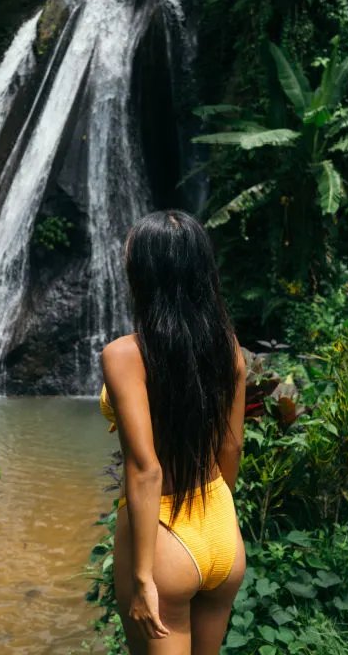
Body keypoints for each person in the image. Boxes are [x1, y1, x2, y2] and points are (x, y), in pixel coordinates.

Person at [99, 210, 246, 655]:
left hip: (164, 541)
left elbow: (146, 469)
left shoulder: (125, 355)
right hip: (221, 526)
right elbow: (231, 445)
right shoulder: (228, 346)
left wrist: (144, 577)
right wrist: (216, 521)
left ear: (144, 271)